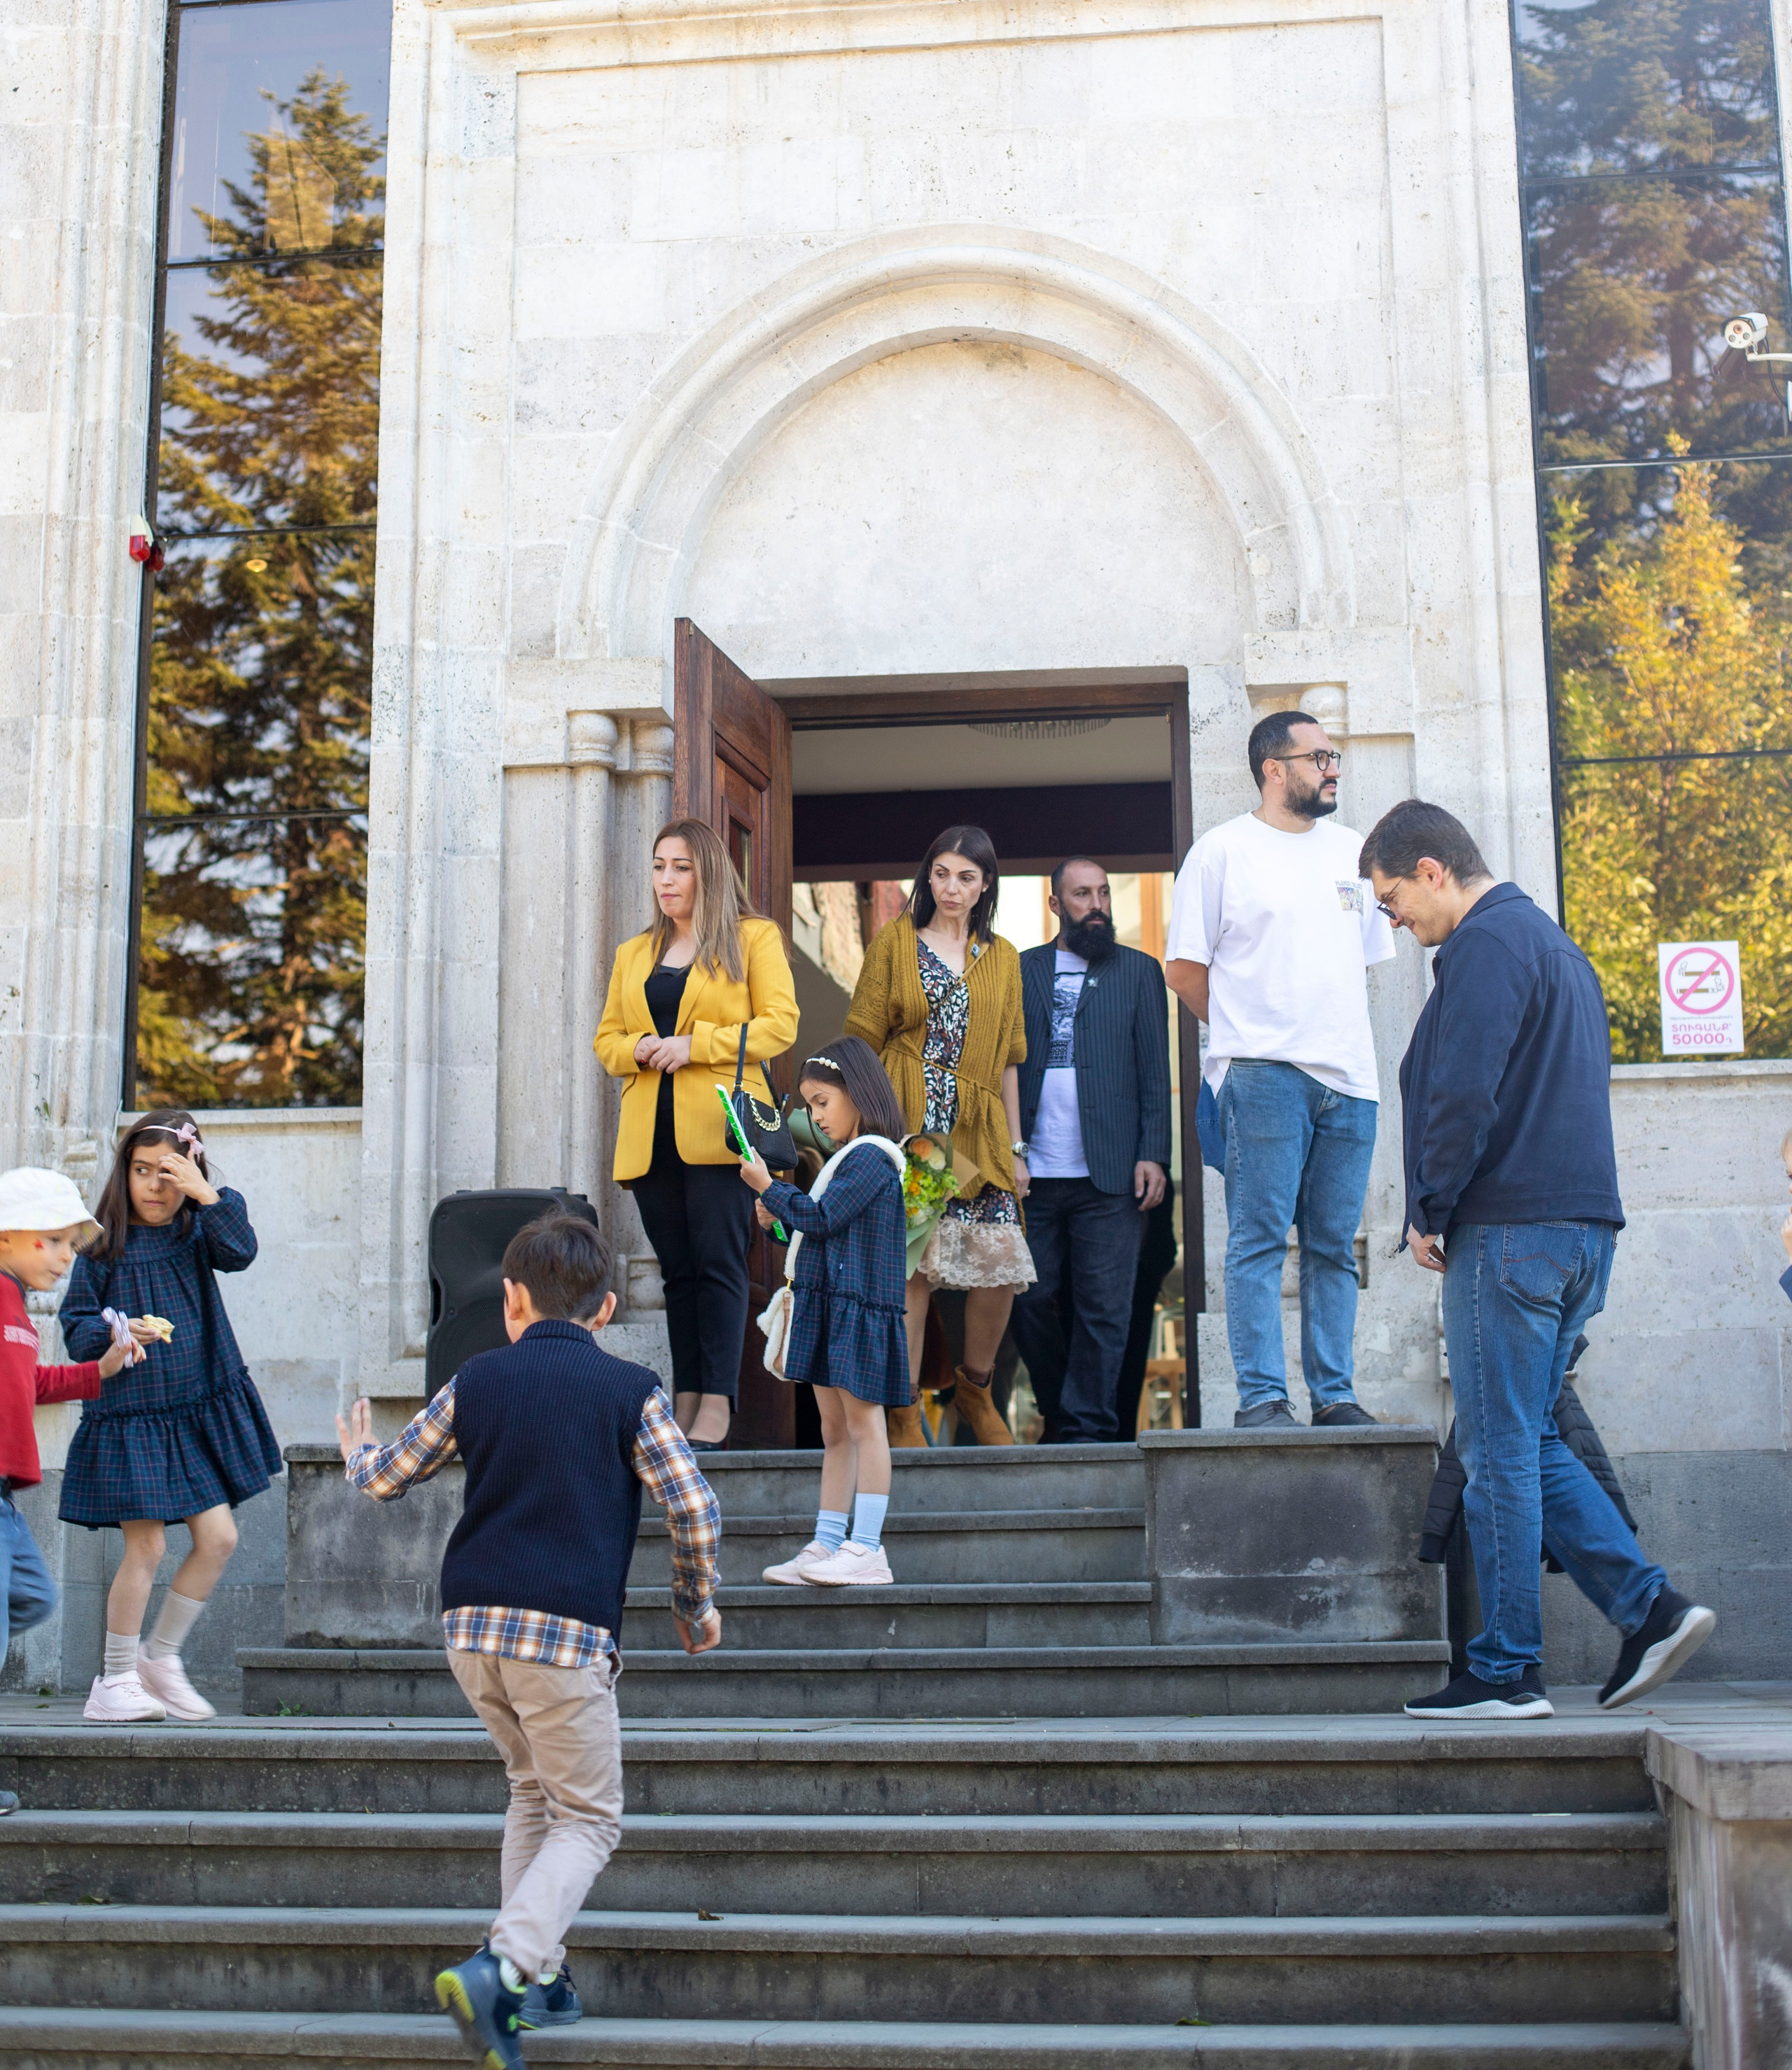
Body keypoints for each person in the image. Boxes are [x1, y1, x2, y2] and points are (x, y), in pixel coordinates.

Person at [1361, 797, 1716, 1719]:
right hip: (1580, 1233)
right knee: (1525, 1435)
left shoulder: (1483, 946)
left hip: (1512, 1229)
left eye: (1393, 895)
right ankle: (1650, 1609)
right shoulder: (1555, 945)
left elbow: (1463, 1089)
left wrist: (1430, 1205)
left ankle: (1510, 1666)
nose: (1391, 917)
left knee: (1499, 1448)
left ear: (1434, 869)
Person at [337, 1212, 720, 2065]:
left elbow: (391, 1475)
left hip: (472, 1625)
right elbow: (693, 1502)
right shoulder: (629, 1389)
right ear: (607, 1307)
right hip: (562, 1629)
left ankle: (537, 1981)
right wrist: (693, 1604)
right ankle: (503, 1963)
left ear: (510, 1300)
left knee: (533, 1792)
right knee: (590, 1817)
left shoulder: (477, 1377)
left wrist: (358, 1451)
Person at [1165, 710, 1392, 1428]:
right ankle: (1263, 1398)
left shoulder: (1355, 852)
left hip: (1351, 1081)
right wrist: (1243, 1031)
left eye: (1333, 755)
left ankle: (1335, 1395)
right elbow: (1181, 967)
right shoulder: (1222, 851)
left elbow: (1359, 962)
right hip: (1262, 1074)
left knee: (1332, 1244)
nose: (1332, 767)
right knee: (1258, 1240)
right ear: (1274, 768)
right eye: (1318, 755)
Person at [59, 1112, 281, 1724]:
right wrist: (116, 1332)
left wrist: (208, 1193)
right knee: (148, 1545)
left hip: (196, 1410)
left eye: (169, 1172)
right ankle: (116, 1677)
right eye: (141, 1171)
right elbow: (76, 1327)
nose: (153, 1186)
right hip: (134, 1416)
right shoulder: (104, 1245)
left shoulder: (197, 1230)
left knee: (220, 1538)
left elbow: (241, 1251)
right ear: (123, 1174)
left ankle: (161, 1658)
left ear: (189, 1174)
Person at [595, 818, 799, 1450]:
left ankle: (718, 1401)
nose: (666, 879)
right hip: (649, 1135)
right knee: (677, 1273)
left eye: (680, 866)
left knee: (719, 1265)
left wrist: (696, 1045)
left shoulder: (751, 937)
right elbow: (606, 1041)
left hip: (720, 1130)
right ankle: (684, 1399)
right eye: (659, 866)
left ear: (708, 871)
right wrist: (642, 1047)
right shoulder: (635, 952)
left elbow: (780, 1025)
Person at [846, 825, 1034, 1448]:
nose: (953, 888)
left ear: (985, 887)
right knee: (914, 1271)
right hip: (915, 1128)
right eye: (943, 873)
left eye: (967, 877)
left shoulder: (1003, 956)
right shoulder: (896, 942)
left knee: (1000, 1265)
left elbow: (1010, 1056)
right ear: (929, 878)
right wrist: (865, 1139)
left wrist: (1016, 1149)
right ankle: (903, 1411)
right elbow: (861, 1045)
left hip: (980, 1128)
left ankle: (974, 1391)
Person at [1010, 858, 1171, 1442]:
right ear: (1056, 905)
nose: (1097, 903)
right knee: (1026, 1298)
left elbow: (1156, 1070)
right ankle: (1062, 1409)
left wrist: (1155, 1151)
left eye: (1103, 892)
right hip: (1033, 1173)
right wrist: (1007, 1149)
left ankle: (1089, 1428)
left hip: (1112, 1172)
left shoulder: (1138, 972)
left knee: (1106, 1309)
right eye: (1082, 894)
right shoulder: (1019, 970)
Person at [741, 1037, 911, 1583]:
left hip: (856, 1311)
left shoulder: (871, 1157)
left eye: (822, 1102)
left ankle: (867, 1549)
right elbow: (820, 1231)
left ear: (858, 1093)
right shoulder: (849, 1160)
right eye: (810, 1106)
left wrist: (772, 1189)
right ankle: (827, 1543)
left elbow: (825, 1217)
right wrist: (780, 1218)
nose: (815, 1117)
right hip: (837, 1308)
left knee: (863, 1426)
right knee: (835, 1430)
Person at [0, 1168, 141, 1805]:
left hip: (5, 1501)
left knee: (31, 1597)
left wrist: (100, 1370)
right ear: (6, 1238)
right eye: (52, 1241)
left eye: (68, 1244)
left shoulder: (19, 1311)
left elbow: (30, 1385)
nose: (65, 1258)